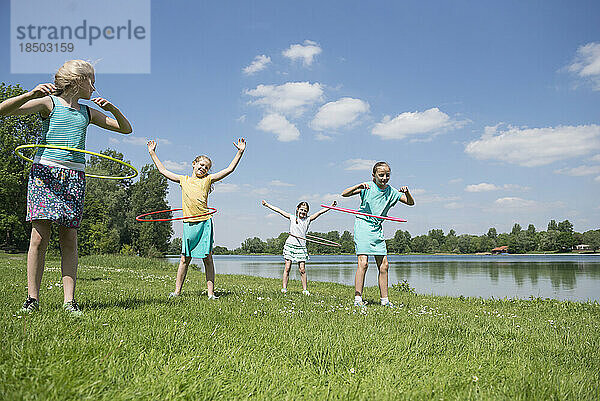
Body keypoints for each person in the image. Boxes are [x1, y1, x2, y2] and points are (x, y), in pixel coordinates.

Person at [0, 60, 133, 315]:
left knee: (69, 238)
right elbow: (2, 111)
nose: (94, 86)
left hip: (74, 176)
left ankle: (69, 301)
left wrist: (113, 109)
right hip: (45, 173)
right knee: (39, 237)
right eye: (91, 80)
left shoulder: (87, 112)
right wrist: (31, 94)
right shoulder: (48, 103)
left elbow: (126, 129)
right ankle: (32, 299)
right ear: (78, 81)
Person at [148, 138, 246, 299]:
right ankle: (177, 292)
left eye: (206, 167)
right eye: (201, 165)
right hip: (189, 223)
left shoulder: (207, 180)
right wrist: (152, 153)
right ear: (193, 164)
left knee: (207, 258)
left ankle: (211, 294)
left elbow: (229, 170)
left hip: (204, 222)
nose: (203, 168)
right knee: (184, 259)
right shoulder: (183, 180)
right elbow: (163, 171)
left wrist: (240, 152)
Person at [341, 161, 414, 308]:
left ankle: (385, 300)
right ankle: (357, 299)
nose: (384, 178)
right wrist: (358, 186)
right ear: (373, 176)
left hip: (377, 228)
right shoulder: (367, 186)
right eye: (381, 175)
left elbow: (410, 203)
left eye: (387, 175)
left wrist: (407, 192)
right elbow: (344, 194)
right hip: (363, 225)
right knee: (364, 263)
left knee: (384, 265)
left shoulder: (391, 191)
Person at [261, 199, 336, 295]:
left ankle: (305, 290)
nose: (303, 212)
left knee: (302, 269)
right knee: (287, 268)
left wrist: (331, 206)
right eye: (301, 209)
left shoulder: (308, 220)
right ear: (297, 209)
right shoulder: (292, 217)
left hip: (301, 247)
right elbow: (279, 211)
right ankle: (284, 288)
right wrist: (267, 204)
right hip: (290, 245)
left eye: (305, 211)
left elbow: (320, 212)